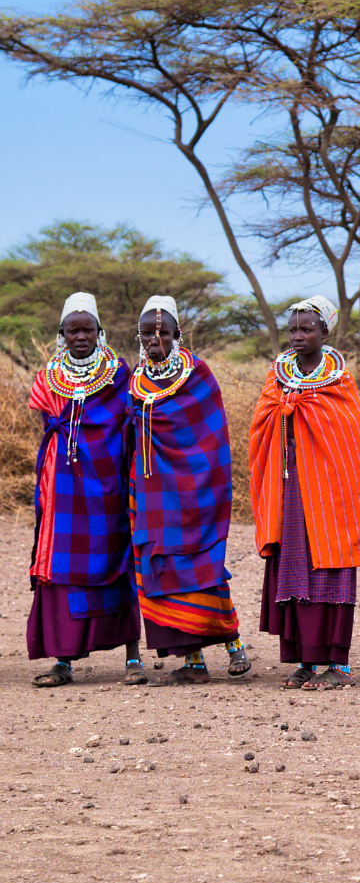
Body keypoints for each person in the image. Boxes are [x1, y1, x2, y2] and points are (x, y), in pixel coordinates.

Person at [250, 295, 360, 690]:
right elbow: (262, 422)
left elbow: (345, 434)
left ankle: (338, 665)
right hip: (287, 489)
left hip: (330, 490)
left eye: (307, 329)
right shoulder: (277, 376)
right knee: (293, 566)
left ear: (325, 332)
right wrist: (285, 408)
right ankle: (304, 660)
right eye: (293, 329)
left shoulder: (340, 379)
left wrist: (299, 408)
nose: (298, 335)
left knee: (330, 568)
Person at [127, 296, 249, 683]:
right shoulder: (135, 379)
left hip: (196, 485)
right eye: (147, 333)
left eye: (163, 332)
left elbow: (210, 437)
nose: (154, 339)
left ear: (178, 334)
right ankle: (192, 660)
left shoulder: (198, 374)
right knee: (163, 566)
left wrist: (195, 476)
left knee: (202, 564)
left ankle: (233, 643)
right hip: (152, 490)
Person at [27, 293, 144, 687]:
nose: (81, 337)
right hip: (61, 485)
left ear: (100, 332)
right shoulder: (48, 377)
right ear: (61, 333)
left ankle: (132, 656)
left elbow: (124, 424)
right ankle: (64, 660)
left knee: (117, 558)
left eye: (87, 329)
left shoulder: (118, 375)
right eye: (73, 330)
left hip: (108, 481)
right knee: (63, 565)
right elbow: (50, 421)